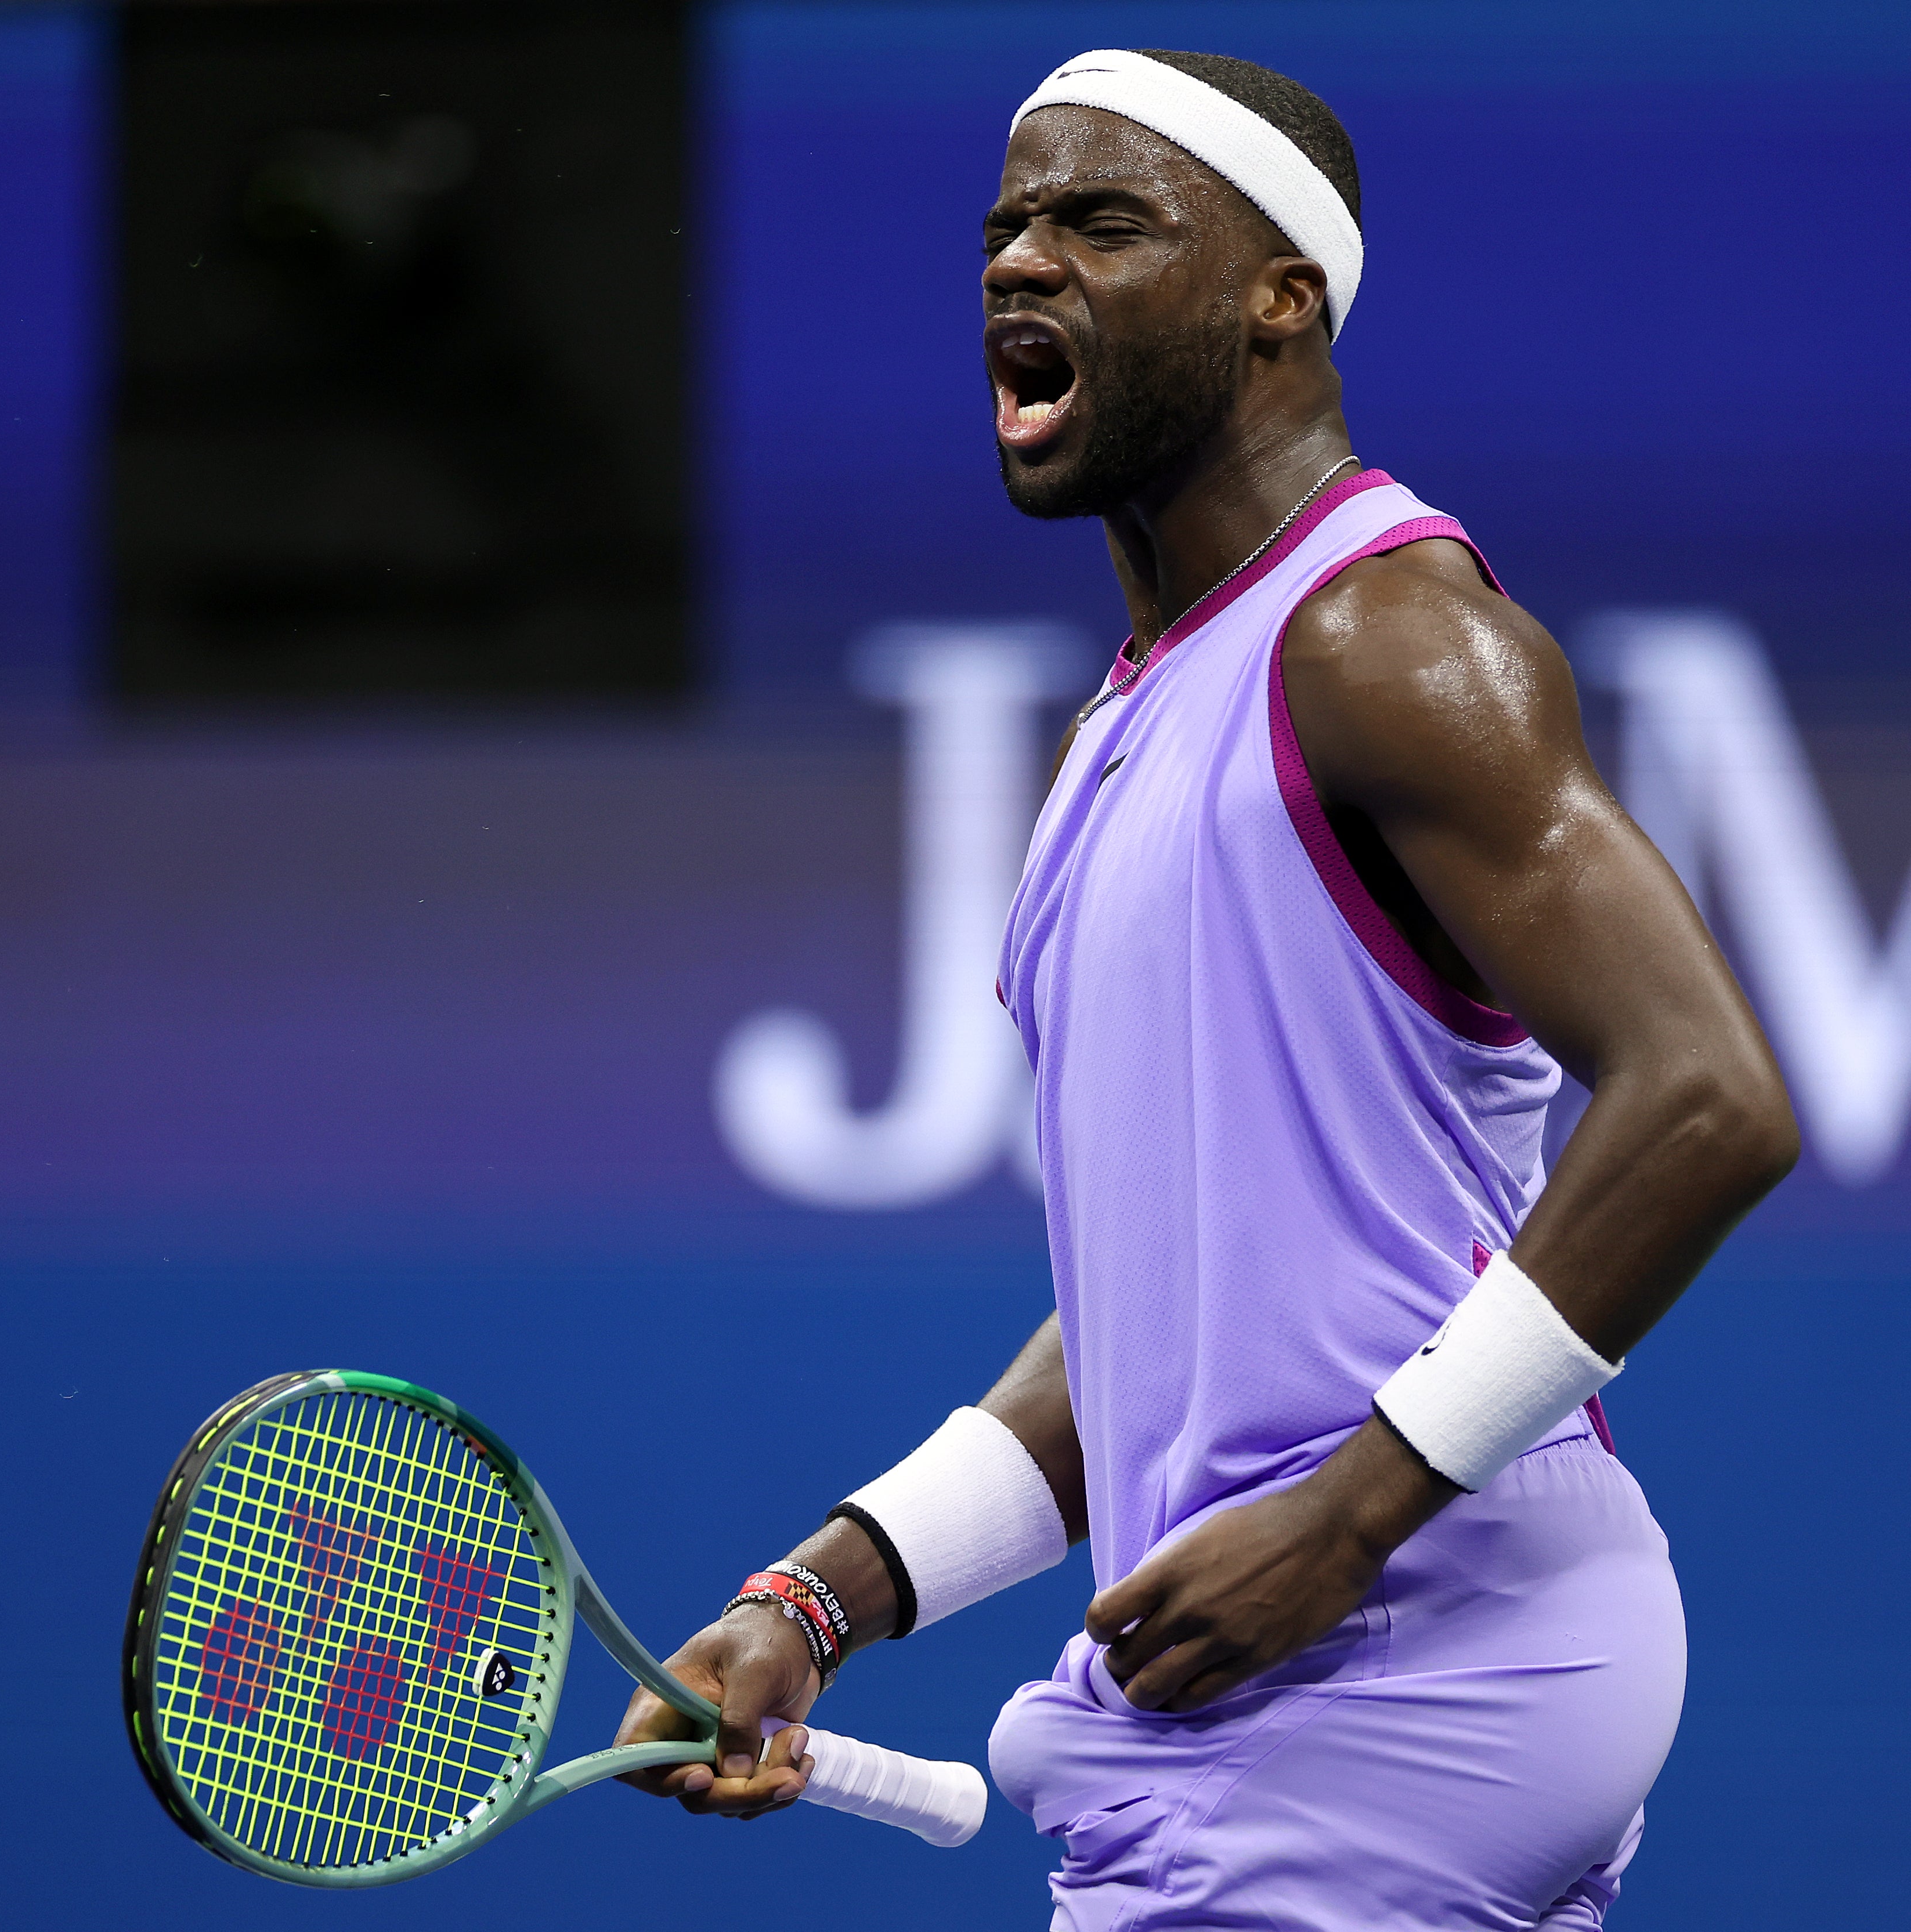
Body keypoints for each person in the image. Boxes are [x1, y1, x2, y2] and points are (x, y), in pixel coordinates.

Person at [618, 48, 1798, 1929]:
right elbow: (1167, 1312)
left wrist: (1342, 1524)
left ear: (1281, 305)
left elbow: (1711, 1094)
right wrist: (822, 1590)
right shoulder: (1131, 720)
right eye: (1005, 222)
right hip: (1354, 1666)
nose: (1021, 262)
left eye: (1102, 221)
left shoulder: (1389, 636)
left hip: (1393, 1653)